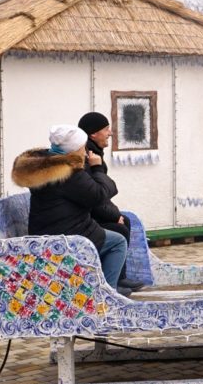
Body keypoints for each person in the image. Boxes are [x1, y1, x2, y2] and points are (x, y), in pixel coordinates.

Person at [11, 125, 128, 293]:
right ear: (74, 149)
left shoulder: (42, 167)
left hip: (45, 230)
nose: (85, 150)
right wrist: (97, 168)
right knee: (118, 241)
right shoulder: (68, 173)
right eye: (83, 146)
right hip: (69, 234)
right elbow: (99, 195)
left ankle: (92, 286)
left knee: (110, 232)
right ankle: (107, 294)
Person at [78, 112, 142, 294]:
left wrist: (116, 214)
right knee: (119, 229)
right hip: (81, 221)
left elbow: (102, 195)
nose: (110, 133)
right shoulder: (88, 157)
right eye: (106, 129)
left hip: (85, 217)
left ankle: (120, 278)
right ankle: (110, 285)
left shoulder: (93, 153)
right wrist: (114, 216)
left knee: (124, 221)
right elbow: (95, 196)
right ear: (93, 134)